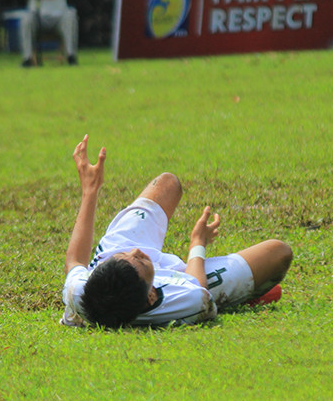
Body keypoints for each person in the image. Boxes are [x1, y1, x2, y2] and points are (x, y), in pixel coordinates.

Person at [61, 135, 292, 328]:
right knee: (278, 253)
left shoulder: (78, 292)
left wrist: (90, 190)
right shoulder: (184, 300)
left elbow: (75, 261)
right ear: (151, 295)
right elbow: (197, 287)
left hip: (131, 283)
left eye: (125, 255)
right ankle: (242, 295)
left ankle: (126, 262)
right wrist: (197, 243)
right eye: (140, 260)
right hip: (182, 278)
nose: (136, 251)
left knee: (168, 184)